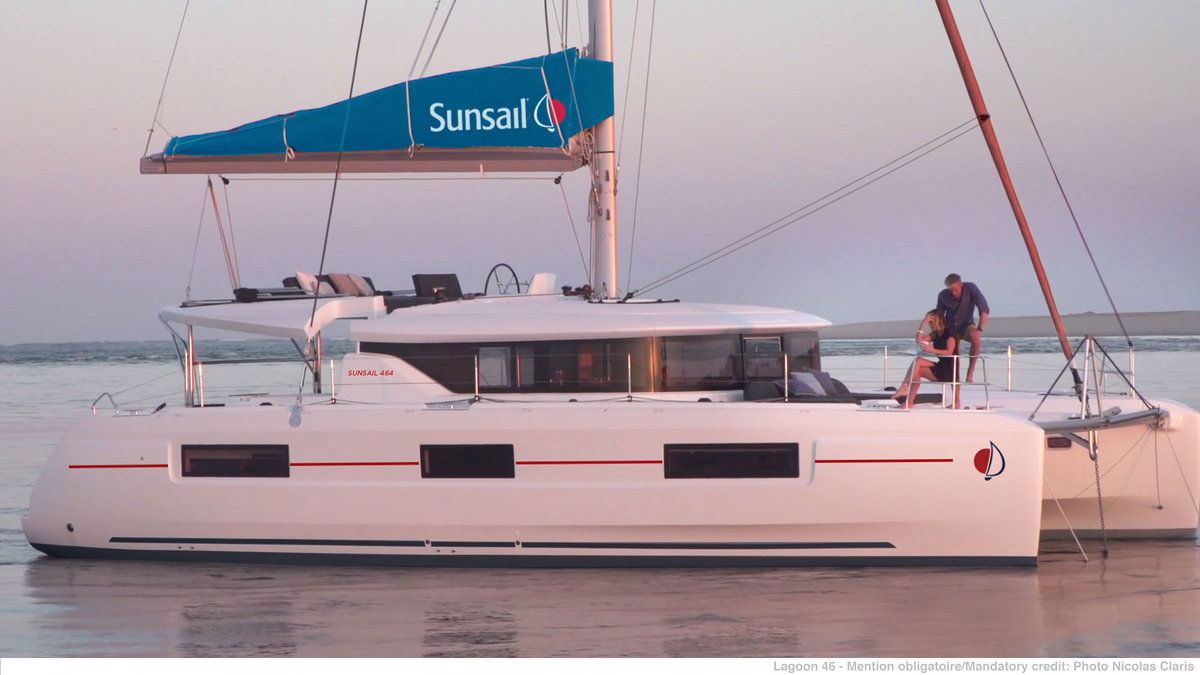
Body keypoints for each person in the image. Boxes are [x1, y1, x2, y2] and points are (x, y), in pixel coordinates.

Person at [892, 309, 960, 408]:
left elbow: (949, 352)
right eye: (929, 322)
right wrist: (923, 323)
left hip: (949, 370)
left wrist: (932, 350)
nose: (930, 324)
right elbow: (918, 340)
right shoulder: (936, 334)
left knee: (918, 362)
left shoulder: (949, 335)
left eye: (931, 321)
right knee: (918, 363)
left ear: (938, 320)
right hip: (940, 366)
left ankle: (904, 390)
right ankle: (909, 401)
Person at [937, 273, 989, 382]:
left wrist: (979, 329)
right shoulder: (942, 295)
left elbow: (984, 309)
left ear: (961, 284)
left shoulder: (970, 288)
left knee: (976, 340)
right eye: (951, 291)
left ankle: (970, 374)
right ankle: (955, 377)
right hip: (951, 328)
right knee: (953, 351)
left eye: (956, 290)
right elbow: (939, 317)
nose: (954, 293)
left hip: (966, 326)